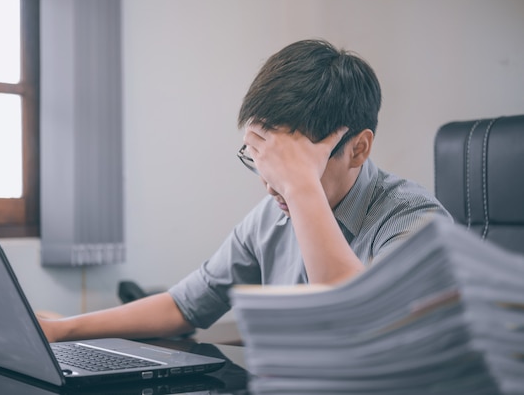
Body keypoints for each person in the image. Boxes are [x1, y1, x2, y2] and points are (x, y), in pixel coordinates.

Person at [39, 39, 452, 342]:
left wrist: (301, 187)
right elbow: (184, 305)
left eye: (291, 165)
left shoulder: (415, 220)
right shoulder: (271, 217)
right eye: (262, 160)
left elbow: (357, 321)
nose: (271, 184)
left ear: (358, 148)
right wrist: (63, 329)